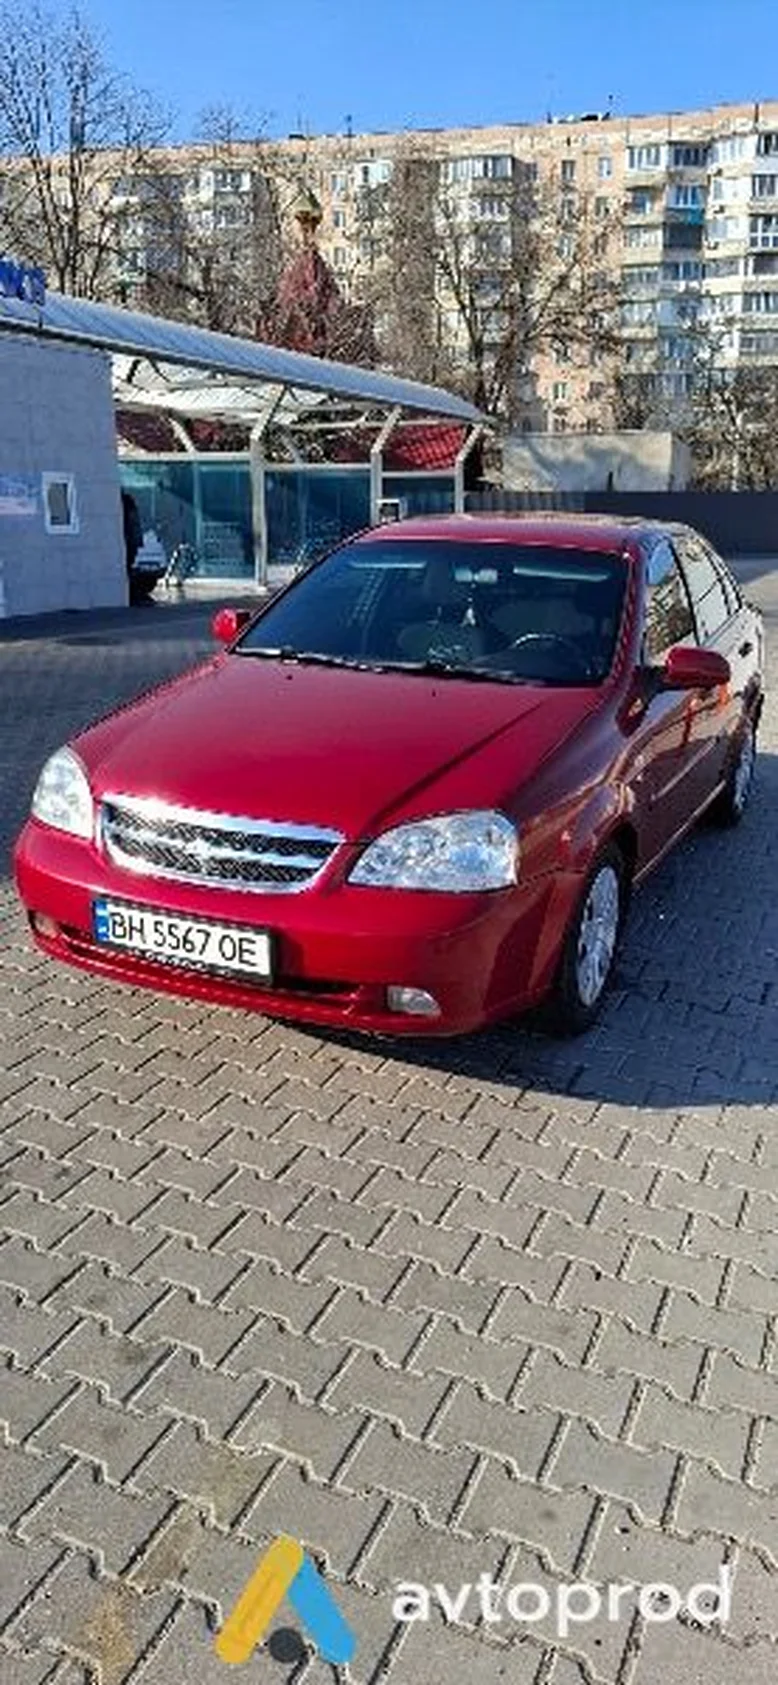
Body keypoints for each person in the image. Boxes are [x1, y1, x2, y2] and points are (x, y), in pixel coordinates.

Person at [121, 489, 144, 602]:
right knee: (128, 566)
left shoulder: (127, 509)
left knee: (128, 566)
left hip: (130, 541)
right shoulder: (130, 509)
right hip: (131, 541)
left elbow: (133, 526)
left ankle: (133, 593)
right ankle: (134, 593)